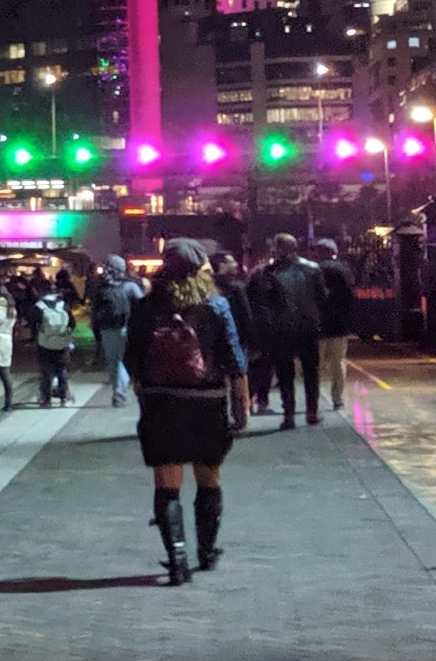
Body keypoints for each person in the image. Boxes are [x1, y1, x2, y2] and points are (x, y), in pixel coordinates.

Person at [125, 240, 247, 583]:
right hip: (208, 401)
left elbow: (131, 358)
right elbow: (235, 360)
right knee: (209, 479)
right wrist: (241, 408)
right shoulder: (216, 305)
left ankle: (177, 559)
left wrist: (144, 393)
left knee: (167, 485)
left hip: (162, 402)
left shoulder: (147, 306)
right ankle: (206, 552)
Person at [256, 233, 324, 429]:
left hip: (282, 328)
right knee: (311, 371)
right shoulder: (312, 269)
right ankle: (312, 412)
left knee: (285, 374)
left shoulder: (270, 272)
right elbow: (321, 297)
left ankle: (289, 415)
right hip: (309, 326)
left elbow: (264, 302)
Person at [212, 251, 260, 434]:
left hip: (215, 339)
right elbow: (246, 316)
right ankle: (240, 417)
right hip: (237, 338)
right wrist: (251, 340)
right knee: (238, 376)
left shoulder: (209, 286)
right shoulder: (237, 287)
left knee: (218, 378)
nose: (236, 265)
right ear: (222, 265)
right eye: (231, 262)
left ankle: (220, 417)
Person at [312, 239, 355, 413]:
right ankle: (337, 399)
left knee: (317, 364)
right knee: (338, 362)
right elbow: (350, 296)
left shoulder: (314, 270)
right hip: (339, 325)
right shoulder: (344, 270)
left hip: (318, 324)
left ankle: (314, 399)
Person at [90, 255, 137, 406]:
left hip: (108, 329)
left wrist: (95, 327)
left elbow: (94, 310)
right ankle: (120, 392)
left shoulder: (101, 287)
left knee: (114, 362)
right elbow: (142, 305)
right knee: (124, 361)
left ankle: (118, 392)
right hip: (127, 327)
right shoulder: (131, 286)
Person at [31, 285, 74, 404]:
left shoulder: (39, 306)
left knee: (46, 371)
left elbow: (33, 324)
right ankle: (63, 396)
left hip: (44, 343)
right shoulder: (63, 305)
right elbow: (72, 324)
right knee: (62, 369)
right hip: (62, 342)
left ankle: (46, 398)